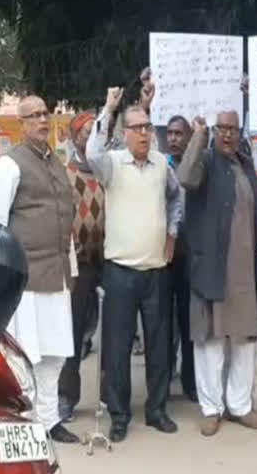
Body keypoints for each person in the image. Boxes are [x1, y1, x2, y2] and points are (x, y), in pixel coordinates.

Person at [87, 89, 184, 443]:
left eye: (147, 126)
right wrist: (109, 107)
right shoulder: (112, 164)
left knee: (159, 345)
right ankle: (119, 415)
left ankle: (157, 411)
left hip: (156, 271)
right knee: (117, 347)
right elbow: (91, 152)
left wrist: (172, 232)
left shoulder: (161, 164)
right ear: (124, 133)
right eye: (136, 128)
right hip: (121, 272)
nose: (144, 133)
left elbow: (176, 198)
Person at [0, 95, 80, 443]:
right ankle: (26, 423)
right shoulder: (9, 165)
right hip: (24, 281)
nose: (42, 120)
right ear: (22, 124)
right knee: (27, 356)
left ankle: (50, 421)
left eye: (45, 113)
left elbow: (64, 219)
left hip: (57, 277)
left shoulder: (56, 162)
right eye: (34, 115)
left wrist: (72, 270)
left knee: (55, 354)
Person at [178, 112, 257, 437]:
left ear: (240, 132)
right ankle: (211, 408)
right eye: (221, 129)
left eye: (233, 129)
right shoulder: (203, 160)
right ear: (214, 131)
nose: (227, 134)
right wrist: (198, 136)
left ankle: (239, 406)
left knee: (243, 341)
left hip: (243, 270)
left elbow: (252, 206)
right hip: (211, 268)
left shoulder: (243, 163)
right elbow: (186, 177)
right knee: (211, 342)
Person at [57, 112, 105, 423]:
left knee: (113, 334)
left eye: (95, 132)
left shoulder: (107, 172)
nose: (90, 137)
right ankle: (66, 398)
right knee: (72, 332)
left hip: (110, 261)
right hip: (80, 266)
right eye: (86, 132)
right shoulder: (66, 174)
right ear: (75, 138)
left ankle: (111, 398)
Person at [165, 115, 197, 402]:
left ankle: (190, 381)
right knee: (163, 322)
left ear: (189, 137)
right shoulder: (159, 167)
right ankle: (162, 381)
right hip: (163, 255)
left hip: (190, 255)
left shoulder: (197, 166)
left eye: (179, 133)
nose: (173, 138)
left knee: (189, 322)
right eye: (170, 133)